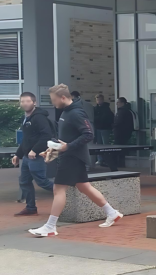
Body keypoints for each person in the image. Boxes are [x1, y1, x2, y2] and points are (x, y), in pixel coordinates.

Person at [28, 85, 123, 237]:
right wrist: (52, 149)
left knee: (58, 190)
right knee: (84, 187)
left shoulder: (77, 113)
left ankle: (51, 226)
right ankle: (112, 213)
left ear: (63, 98)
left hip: (72, 157)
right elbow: (65, 138)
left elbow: (88, 134)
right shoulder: (66, 112)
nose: (53, 103)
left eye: (54, 100)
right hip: (72, 156)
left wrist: (68, 147)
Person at [12, 92, 55, 216]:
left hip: (36, 156)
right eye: (22, 101)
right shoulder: (26, 118)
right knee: (24, 181)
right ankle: (31, 208)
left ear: (34, 102)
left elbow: (46, 136)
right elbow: (26, 138)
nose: (25, 104)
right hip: (26, 157)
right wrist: (18, 155)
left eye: (28, 101)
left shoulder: (39, 117)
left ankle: (69, 194)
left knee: (42, 182)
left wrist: (34, 150)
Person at [92, 94, 114, 165]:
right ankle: (100, 159)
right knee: (99, 144)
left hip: (105, 128)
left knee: (105, 145)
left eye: (100, 100)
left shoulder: (106, 108)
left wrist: (97, 119)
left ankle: (107, 160)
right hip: (98, 128)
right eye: (97, 100)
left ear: (102, 100)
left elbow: (105, 118)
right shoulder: (95, 108)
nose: (98, 101)